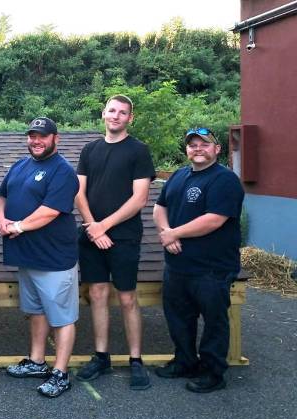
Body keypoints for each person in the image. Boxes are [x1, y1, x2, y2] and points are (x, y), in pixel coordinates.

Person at [153, 127, 244, 393]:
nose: (197, 149)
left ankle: (213, 372)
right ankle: (185, 362)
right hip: (178, 266)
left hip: (212, 268)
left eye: (204, 144)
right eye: (192, 145)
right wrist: (166, 235)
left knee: (214, 321)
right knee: (179, 318)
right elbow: (160, 208)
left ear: (217, 149)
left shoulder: (224, 179)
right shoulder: (179, 175)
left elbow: (214, 219)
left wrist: (173, 233)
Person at [74, 95, 155, 390]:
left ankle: (136, 361)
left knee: (127, 298)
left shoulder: (139, 151)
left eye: (123, 112)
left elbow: (140, 199)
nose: (116, 116)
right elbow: (78, 193)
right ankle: (101, 356)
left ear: (130, 119)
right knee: (96, 294)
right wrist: (93, 228)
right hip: (91, 236)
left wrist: (103, 227)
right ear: (103, 114)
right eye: (112, 110)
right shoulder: (90, 150)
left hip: (124, 237)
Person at [0, 117, 80, 398]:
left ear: (55, 138)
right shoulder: (21, 165)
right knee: (36, 311)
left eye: (42, 136)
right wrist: (0, 219)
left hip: (54, 258)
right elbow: (1, 195)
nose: (36, 140)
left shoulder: (62, 171)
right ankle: (36, 361)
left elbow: (50, 211)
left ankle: (61, 373)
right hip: (27, 256)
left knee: (62, 317)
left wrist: (17, 226)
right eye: (32, 135)